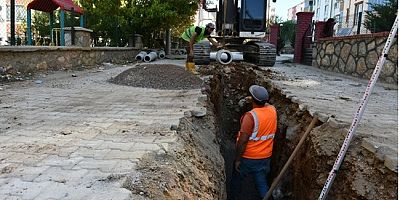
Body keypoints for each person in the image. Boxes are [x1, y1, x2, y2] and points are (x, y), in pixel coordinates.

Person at [231, 85, 277, 199]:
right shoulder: (272, 110)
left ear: (252, 99)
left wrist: (237, 159)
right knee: (261, 183)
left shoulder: (250, 117)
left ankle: (233, 197)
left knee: (237, 180)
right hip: (265, 157)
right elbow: (265, 104)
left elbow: (243, 141)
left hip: (248, 157)